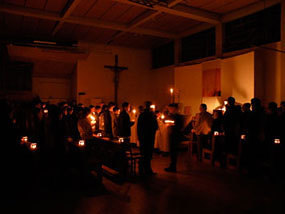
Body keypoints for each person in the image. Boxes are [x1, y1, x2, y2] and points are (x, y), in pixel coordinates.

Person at [137, 101, 158, 175]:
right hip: (149, 137)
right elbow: (156, 127)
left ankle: (141, 169)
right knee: (148, 154)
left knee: (143, 153)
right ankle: (148, 170)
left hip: (142, 137)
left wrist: (139, 137)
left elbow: (138, 127)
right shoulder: (152, 115)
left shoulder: (141, 115)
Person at [165, 103, 184, 172]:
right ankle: (172, 165)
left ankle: (173, 167)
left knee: (174, 151)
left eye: (170, 108)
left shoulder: (178, 116)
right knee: (172, 151)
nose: (169, 110)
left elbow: (179, 126)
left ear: (174, 108)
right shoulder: (171, 115)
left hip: (175, 135)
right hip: (172, 134)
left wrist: (171, 124)